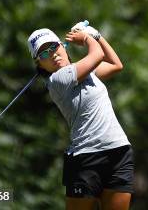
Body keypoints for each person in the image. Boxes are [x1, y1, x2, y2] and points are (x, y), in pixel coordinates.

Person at [27, 22, 134, 210]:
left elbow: (116, 64)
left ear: (62, 45)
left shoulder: (88, 71)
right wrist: (86, 37)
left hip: (118, 150)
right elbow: (98, 55)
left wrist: (97, 36)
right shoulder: (57, 81)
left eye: (53, 47)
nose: (52, 54)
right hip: (86, 159)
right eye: (44, 54)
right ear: (39, 63)